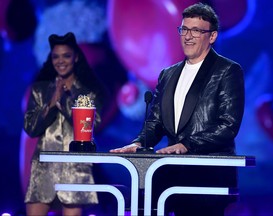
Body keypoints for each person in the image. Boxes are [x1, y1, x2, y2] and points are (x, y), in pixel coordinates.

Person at [110, 2, 245, 216]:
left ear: (212, 36)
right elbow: (155, 123)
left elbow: (228, 125)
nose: (188, 36)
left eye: (196, 31)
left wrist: (186, 145)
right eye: (184, 30)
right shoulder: (168, 74)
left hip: (210, 168)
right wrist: (139, 143)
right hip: (173, 167)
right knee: (139, 200)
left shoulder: (228, 71)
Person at [24, 32, 107, 216]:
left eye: (66, 56)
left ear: (76, 58)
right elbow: (30, 128)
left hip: (75, 168)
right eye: (56, 57)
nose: (61, 61)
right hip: (43, 168)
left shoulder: (88, 92)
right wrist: (50, 104)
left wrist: (65, 102)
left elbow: (93, 126)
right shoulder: (40, 90)